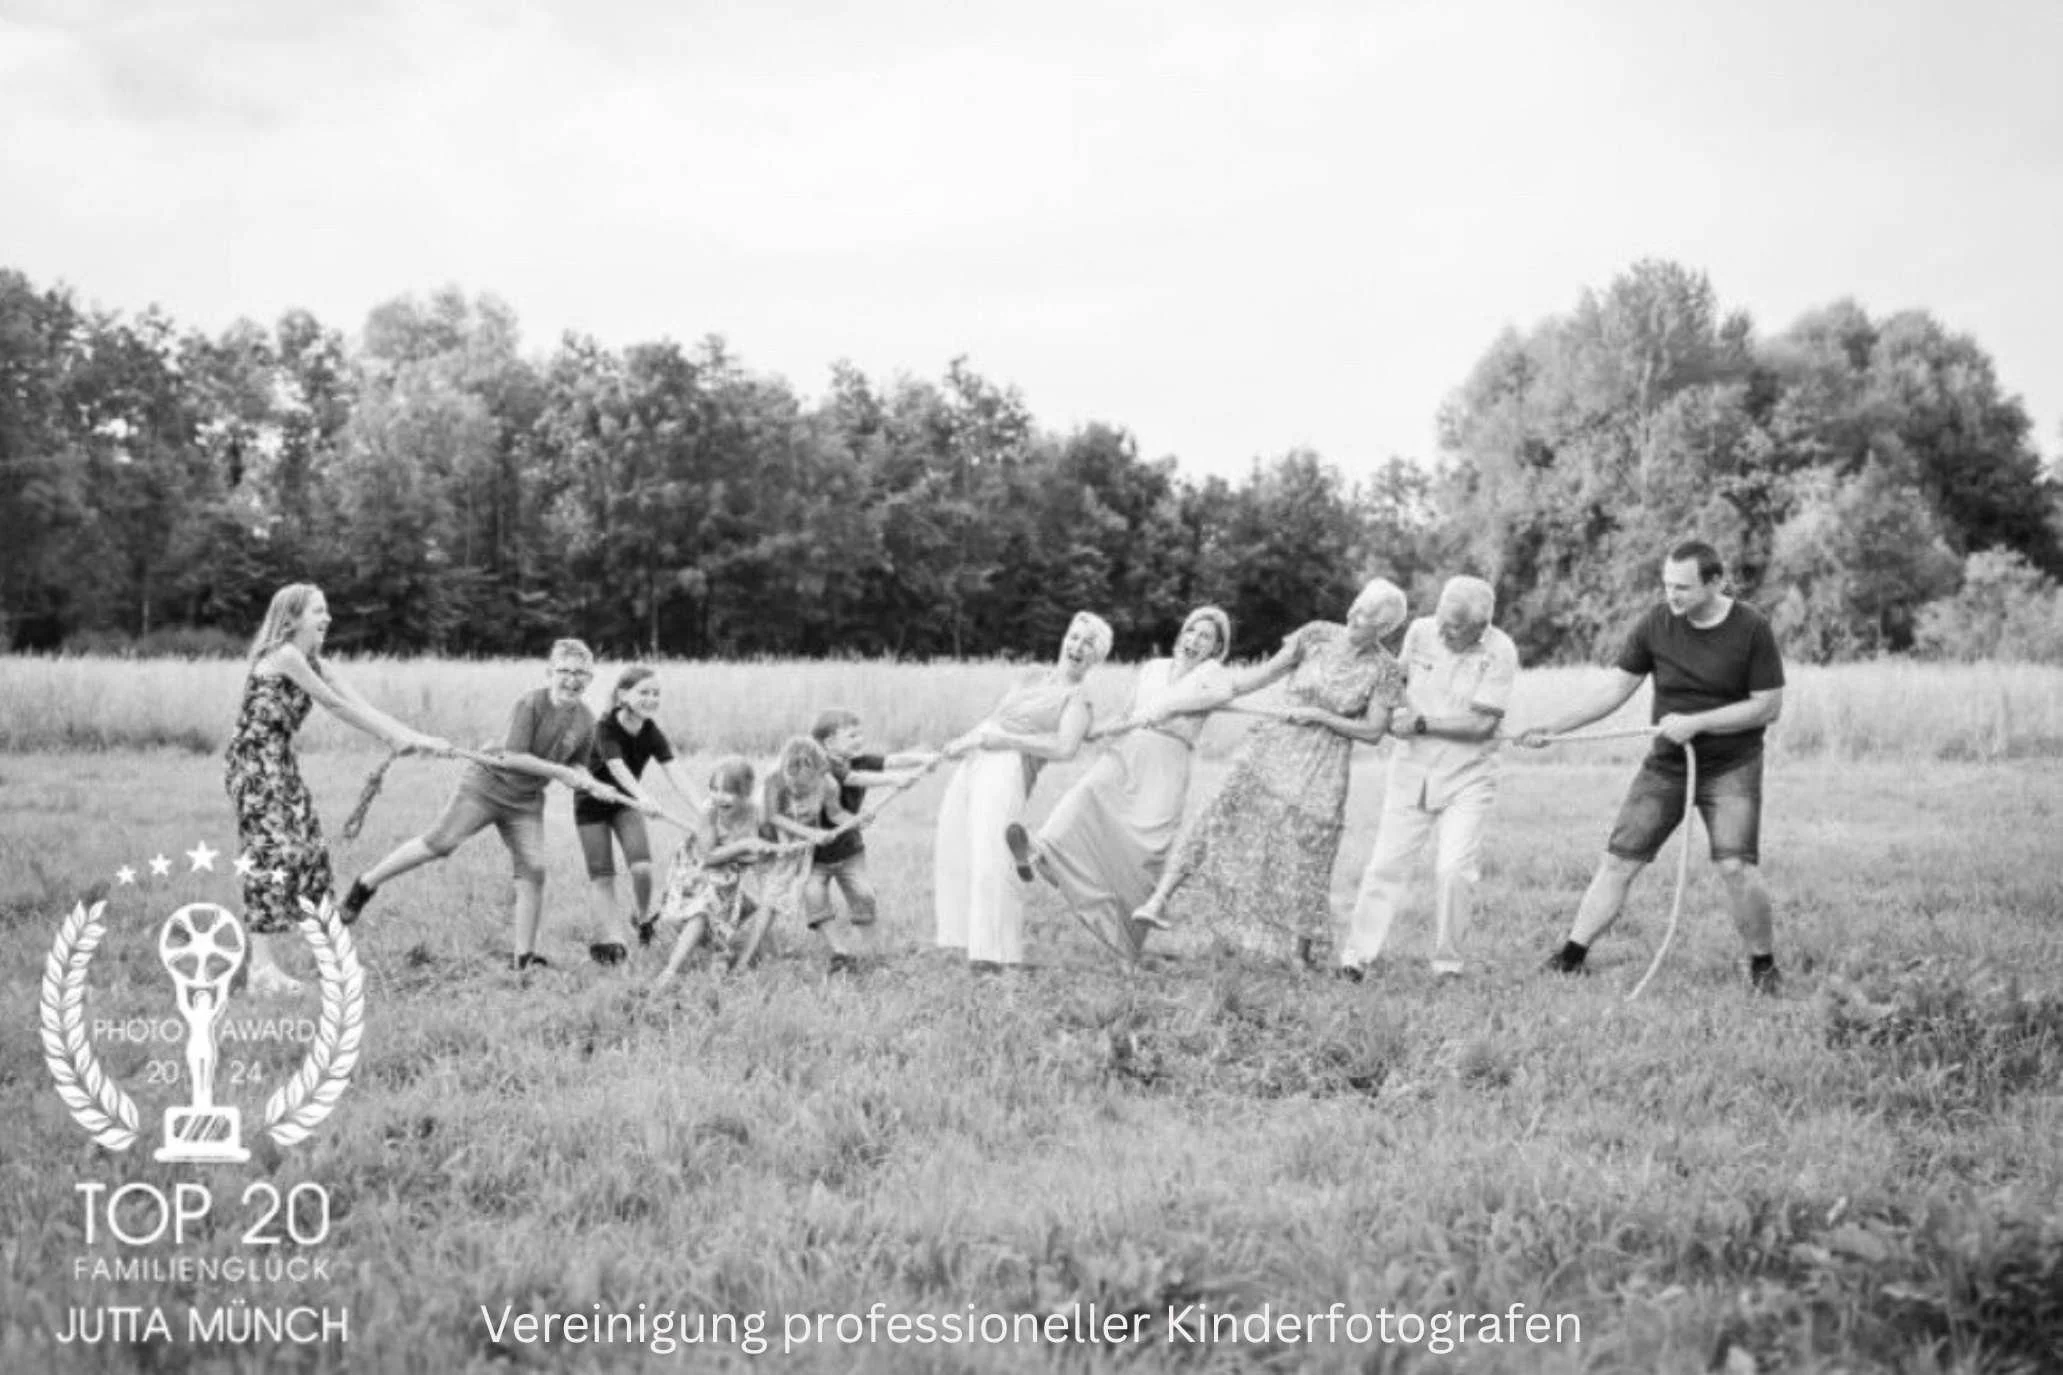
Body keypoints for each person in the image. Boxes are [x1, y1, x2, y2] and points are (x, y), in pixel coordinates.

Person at [1516, 539, 1786, 992]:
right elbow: (1613, 691)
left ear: (1716, 582)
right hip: (1667, 765)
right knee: (1619, 860)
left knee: (1735, 866)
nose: (1671, 596)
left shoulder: (1751, 628)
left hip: (1730, 767)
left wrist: (1697, 722)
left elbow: (1767, 707)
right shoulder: (1656, 624)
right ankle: (1571, 957)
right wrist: (1555, 728)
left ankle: (1763, 967)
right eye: (1666, 585)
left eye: (1682, 587)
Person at [1132, 579, 1410, 966]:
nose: (1352, 614)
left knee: (1306, 856)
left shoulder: (1385, 670)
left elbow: (1373, 731)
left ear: (1383, 628)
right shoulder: (1315, 635)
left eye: (1364, 614)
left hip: (1321, 768)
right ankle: (1158, 900)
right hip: (1271, 748)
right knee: (1217, 816)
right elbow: (1259, 676)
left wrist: (1320, 716)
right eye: (1356, 605)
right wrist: (1204, 693)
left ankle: (1299, 955)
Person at [339, 639, 628, 971]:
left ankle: (524, 958)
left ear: (590, 679)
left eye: (581, 673)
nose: (572, 679)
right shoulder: (530, 704)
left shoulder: (586, 720)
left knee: (534, 870)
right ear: (550, 672)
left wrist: (593, 782)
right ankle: (366, 884)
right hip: (486, 786)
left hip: (526, 801)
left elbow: (576, 764)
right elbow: (513, 756)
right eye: (564, 671)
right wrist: (561, 771)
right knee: (440, 844)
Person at [225, 583, 448, 996]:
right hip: (254, 765)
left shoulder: (316, 661)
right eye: (317, 611)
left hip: (281, 763)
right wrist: (391, 738)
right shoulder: (286, 656)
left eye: (326, 610)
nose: (326, 618)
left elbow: (363, 706)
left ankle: (335, 963)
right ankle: (261, 970)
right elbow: (335, 706)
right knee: (274, 854)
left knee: (311, 854)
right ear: (292, 619)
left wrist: (420, 739)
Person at [1003, 605, 1234, 954]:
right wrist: (1100, 732)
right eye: (1191, 631)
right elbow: (1128, 712)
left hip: (1167, 763)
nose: (1195, 640)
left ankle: (1126, 940)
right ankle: (1042, 854)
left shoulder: (1212, 674)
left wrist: (1172, 706)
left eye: (1206, 637)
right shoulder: (1154, 668)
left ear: (1216, 648)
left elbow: (1222, 695)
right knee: (1085, 795)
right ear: (1182, 633)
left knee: (1146, 850)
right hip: (1128, 751)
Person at [1337, 576, 1518, 981]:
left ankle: (1448, 965)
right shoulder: (1420, 631)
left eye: (1454, 627)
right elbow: (1396, 680)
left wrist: (1421, 723)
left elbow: (1482, 724)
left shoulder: (1501, 651)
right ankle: (1355, 958)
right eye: (1441, 619)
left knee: (1453, 869)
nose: (1442, 630)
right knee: (1384, 863)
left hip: (1469, 776)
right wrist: (1372, 711)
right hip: (1412, 769)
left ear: (1481, 626)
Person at [934, 612, 1112, 971]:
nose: (1077, 646)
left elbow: (1064, 749)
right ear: (1064, 638)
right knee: (955, 841)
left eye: (1088, 644)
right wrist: (967, 741)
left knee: (992, 858)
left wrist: (1005, 741)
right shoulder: (1030, 674)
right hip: (981, 751)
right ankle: (966, 940)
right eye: (1074, 637)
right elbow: (998, 717)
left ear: (1098, 657)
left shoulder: (1078, 700)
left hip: (1009, 764)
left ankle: (994, 955)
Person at [578, 665, 702, 964]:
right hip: (591, 804)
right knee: (602, 876)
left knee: (642, 868)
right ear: (623, 695)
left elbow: (675, 772)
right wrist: (644, 798)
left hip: (624, 805)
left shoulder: (650, 731)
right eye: (644, 692)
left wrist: (702, 809)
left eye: (656, 693)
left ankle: (643, 917)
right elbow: (617, 767)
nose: (651, 699)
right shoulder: (605, 727)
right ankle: (609, 939)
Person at [806, 710, 934, 973]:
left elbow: (894, 760)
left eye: (860, 733)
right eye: (852, 735)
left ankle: (872, 955)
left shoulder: (860, 760)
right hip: (815, 853)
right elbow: (854, 779)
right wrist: (893, 781)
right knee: (814, 895)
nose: (859, 739)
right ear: (829, 743)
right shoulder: (824, 766)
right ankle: (840, 952)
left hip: (849, 849)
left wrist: (927, 758)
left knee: (863, 896)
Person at [652, 757, 787, 983]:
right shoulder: (710, 812)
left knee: (760, 906)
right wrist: (743, 846)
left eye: (727, 791)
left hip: (729, 871)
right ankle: (670, 970)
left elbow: (765, 853)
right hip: (697, 868)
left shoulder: (757, 813)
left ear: (745, 794)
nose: (717, 796)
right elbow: (708, 857)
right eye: (713, 789)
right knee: (704, 909)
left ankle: (771, 956)